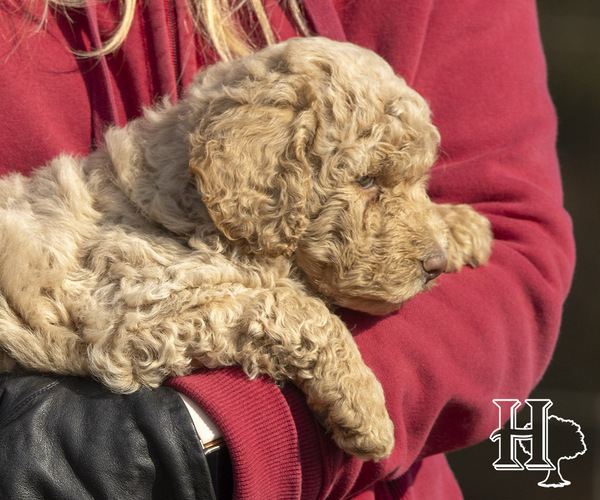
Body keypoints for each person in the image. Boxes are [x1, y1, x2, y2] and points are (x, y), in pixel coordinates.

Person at [0, 0, 574, 498]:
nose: (429, 249)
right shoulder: (149, 217)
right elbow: (156, 312)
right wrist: (316, 346)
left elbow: (516, 248)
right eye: (372, 184)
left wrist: (224, 430)